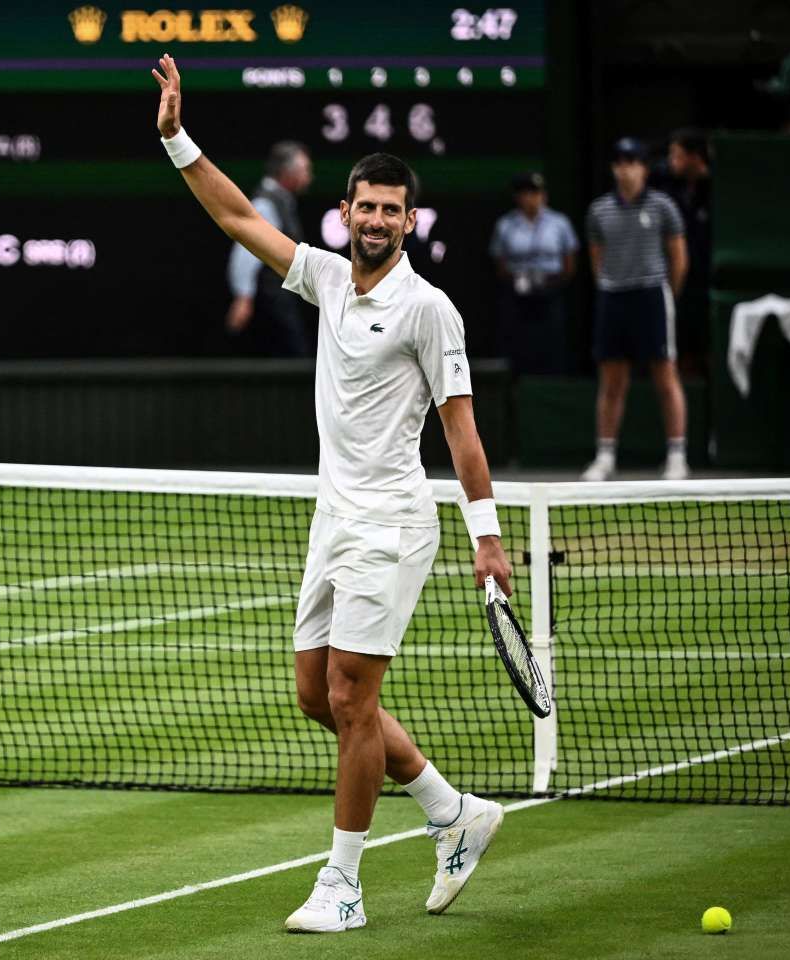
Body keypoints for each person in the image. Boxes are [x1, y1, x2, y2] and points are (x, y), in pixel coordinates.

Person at [153, 54, 512, 933]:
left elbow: (460, 428)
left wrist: (489, 536)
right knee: (318, 697)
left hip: (392, 522)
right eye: (367, 206)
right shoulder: (323, 278)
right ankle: (451, 810)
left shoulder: (431, 309)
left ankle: (343, 886)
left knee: (353, 698)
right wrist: (175, 138)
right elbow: (237, 213)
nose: (379, 219)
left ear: (410, 220)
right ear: (346, 213)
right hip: (333, 519)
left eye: (394, 209)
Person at [580, 137, 689, 482]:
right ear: (614, 168)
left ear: (643, 168)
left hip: (652, 297)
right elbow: (596, 259)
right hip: (614, 298)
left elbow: (678, 259)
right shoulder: (598, 211)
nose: (626, 169)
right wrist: (612, 284)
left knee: (665, 375)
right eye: (620, 163)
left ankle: (676, 455)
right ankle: (605, 456)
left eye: (633, 162)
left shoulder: (663, 207)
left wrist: (666, 294)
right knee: (612, 381)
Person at [225, 140, 314, 356]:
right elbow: (246, 252)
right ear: (287, 173)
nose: (309, 177)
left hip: (280, 295)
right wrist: (243, 297)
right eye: (305, 170)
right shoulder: (266, 203)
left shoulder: (282, 201)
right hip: (270, 297)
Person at [487, 172, 578, 374]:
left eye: (535, 193)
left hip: (551, 290)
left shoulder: (560, 223)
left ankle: (554, 384)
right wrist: (521, 281)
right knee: (517, 344)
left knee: (552, 343)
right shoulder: (506, 225)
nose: (531, 198)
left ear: (544, 195)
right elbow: (500, 264)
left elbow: (569, 263)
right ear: (518, 198)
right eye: (526, 193)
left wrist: (550, 283)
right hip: (518, 292)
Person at [666, 129, 712, 379]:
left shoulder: (716, 190)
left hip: (708, 284)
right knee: (682, 355)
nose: (672, 162)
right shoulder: (672, 192)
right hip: (683, 286)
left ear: (695, 157)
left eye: (677, 155)